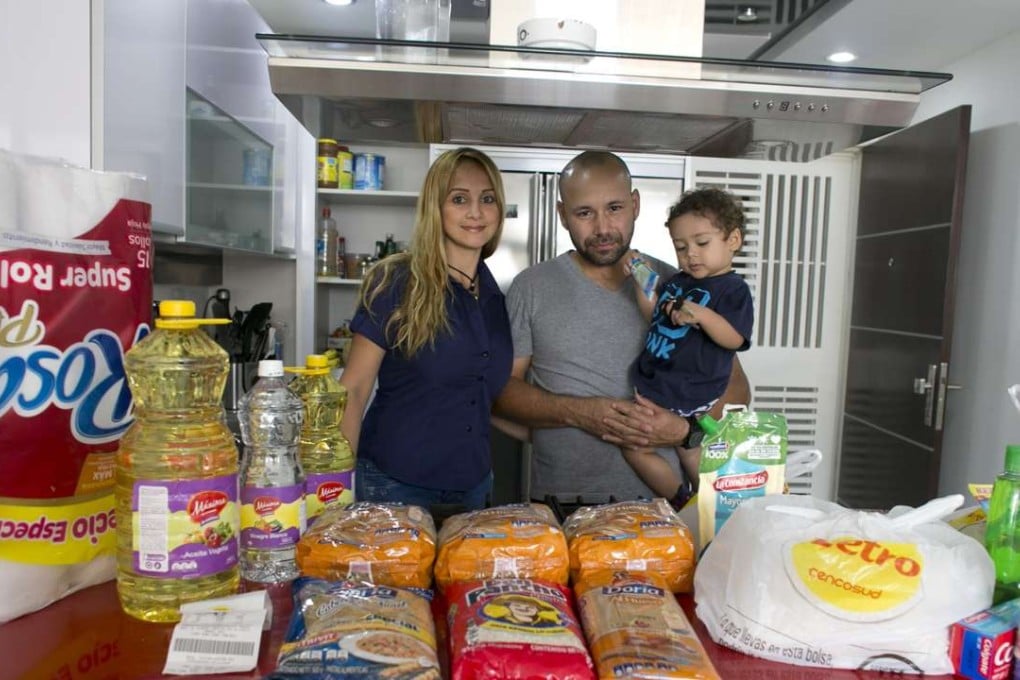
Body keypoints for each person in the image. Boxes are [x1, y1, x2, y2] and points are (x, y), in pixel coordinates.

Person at [494, 151, 749, 504]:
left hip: (663, 508)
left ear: (635, 204)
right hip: (563, 503)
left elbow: (736, 389)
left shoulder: (684, 284)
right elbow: (501, 392)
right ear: (562, 215)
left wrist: (685, 430)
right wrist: (580, 413)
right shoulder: (531, 287)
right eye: (584, 213)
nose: (602, 228)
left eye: (614, 208)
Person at [340, 147, 512, 510]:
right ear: (435, 207)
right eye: (459, 199)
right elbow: (353, 391)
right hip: (393, 485)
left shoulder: (495, 297)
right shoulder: (396, 281)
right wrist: (335, 492)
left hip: (474, 488)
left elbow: (482, 396)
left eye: (487, 199)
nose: (476, 212)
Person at [621, 188, 754, 504]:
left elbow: (735, 338)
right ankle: (682, 500)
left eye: (701, 243)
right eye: (681, 247)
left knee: (690, 450)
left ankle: (707, 503)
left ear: (732, 241)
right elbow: (653, 314)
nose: (690, 254)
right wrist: (640, 279)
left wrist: (703, 316)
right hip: (657, 384)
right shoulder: (679, 282)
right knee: (635, 448)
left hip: (691, 391)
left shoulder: (732, 290)